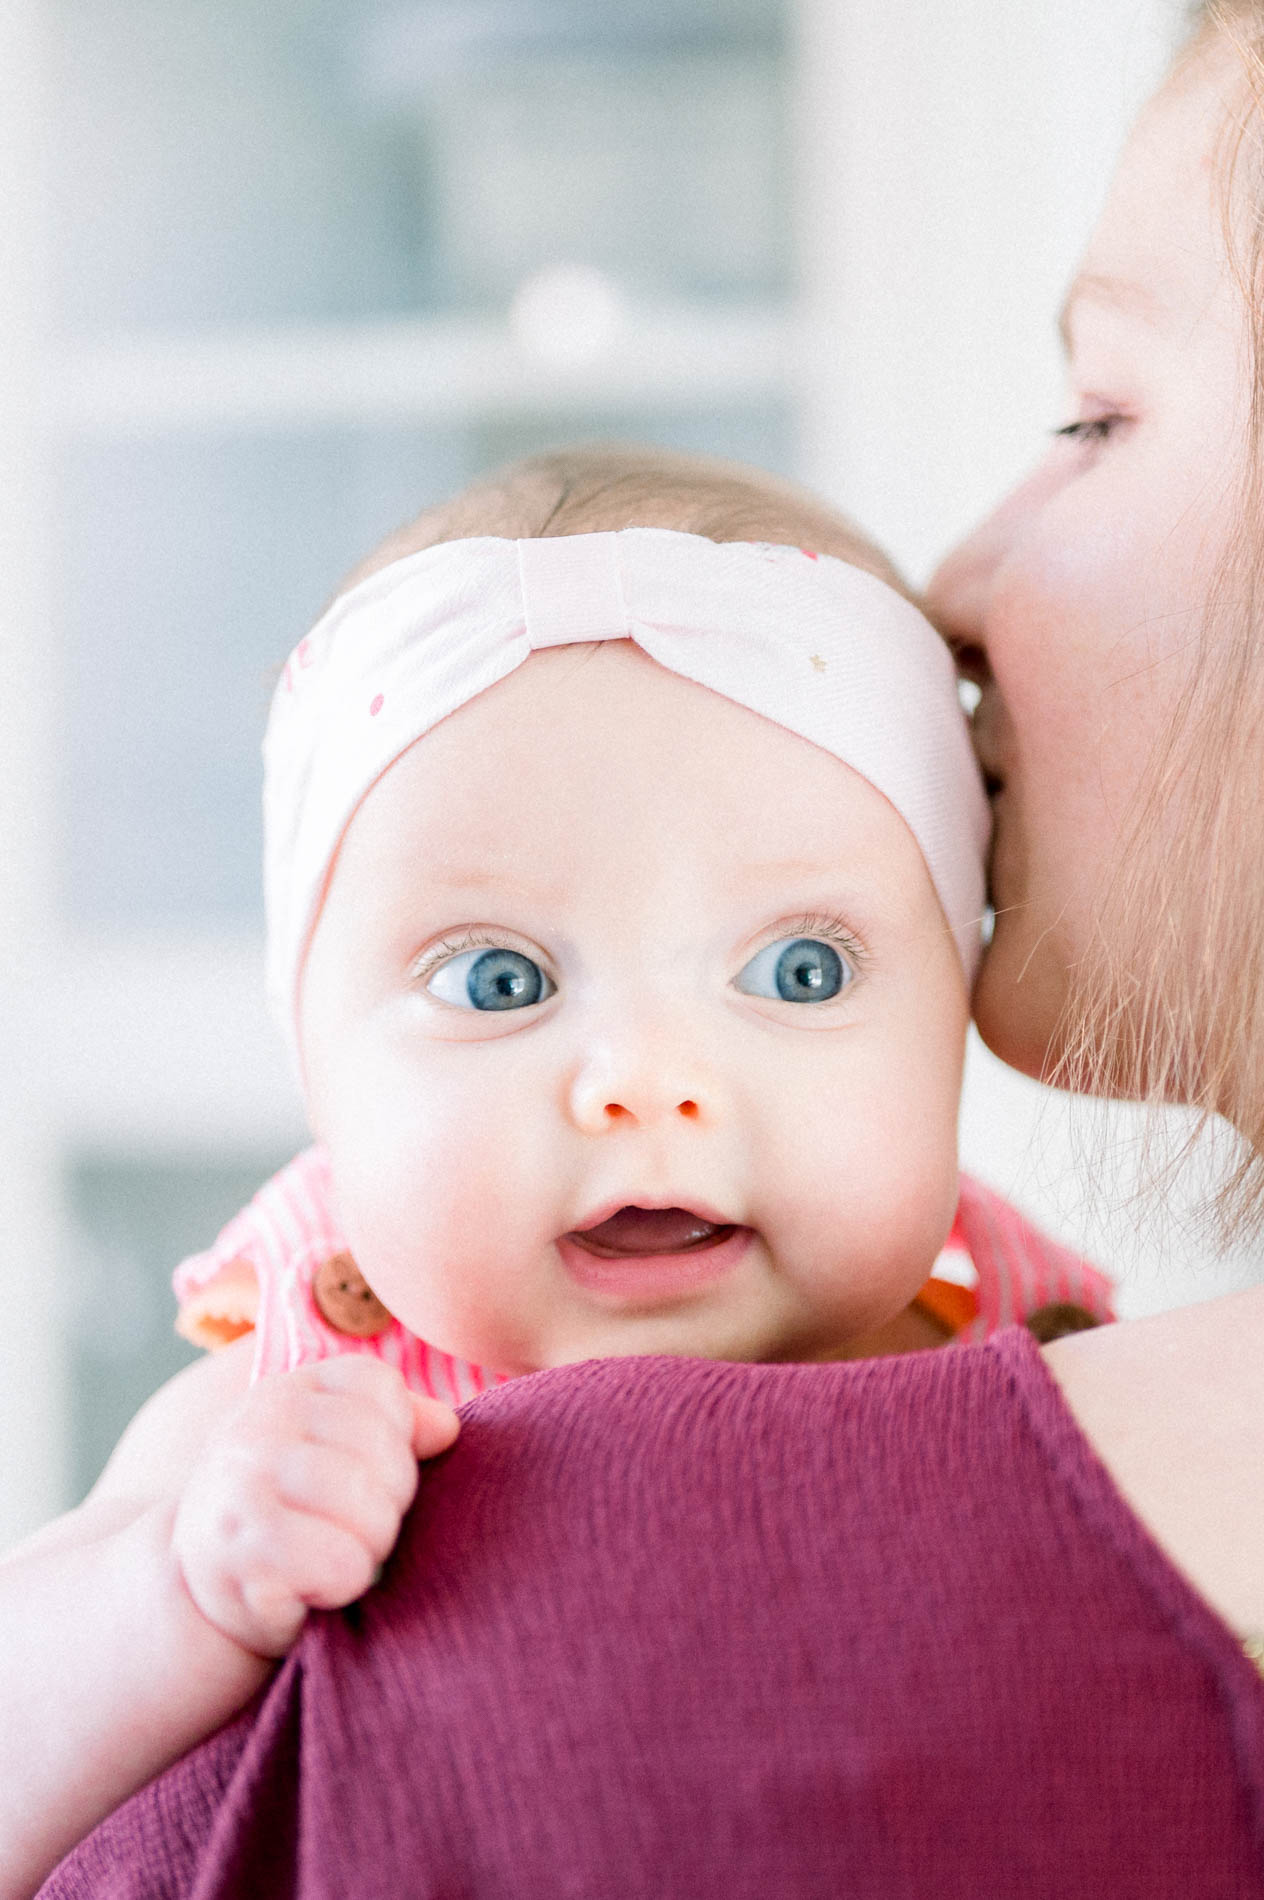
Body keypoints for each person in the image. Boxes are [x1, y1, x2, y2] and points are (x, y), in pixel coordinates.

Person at [0, 447, 1114, 1897]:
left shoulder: (1049, 1377)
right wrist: (179, 1594)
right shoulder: (295, 1419)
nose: (647, 1080)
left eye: (800, 967)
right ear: (316, 1061)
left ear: (954, 1007)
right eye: (500, 979)